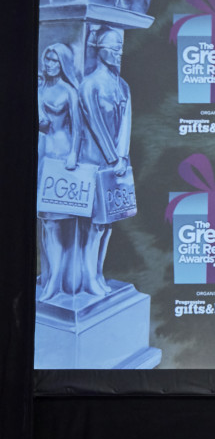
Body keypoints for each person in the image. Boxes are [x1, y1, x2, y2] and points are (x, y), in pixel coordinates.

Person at [79, 28, 132, 296]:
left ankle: (98, 273)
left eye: (120, 48)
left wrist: (121, 157)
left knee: (109, 221)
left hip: (116, 164)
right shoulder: (90, 85)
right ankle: (89, 277)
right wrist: (112, 157)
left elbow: (125, 125)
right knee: (93, 224)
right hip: (94, 163)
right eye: (113, 47)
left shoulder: (122, 86)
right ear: (99, 48)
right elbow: (95, 124)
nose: (118, 53)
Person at [37, 43, 83, 300]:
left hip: (62, 156)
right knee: (46, 221)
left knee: (58, 220)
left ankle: (55, 280)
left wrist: (74, 155)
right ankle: (50, 277)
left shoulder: (68, 92)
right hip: (41, 155)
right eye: (47, 59)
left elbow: (78, 128)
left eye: (54, 60)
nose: (49, 64)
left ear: (62, 63)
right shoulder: (39, 87)